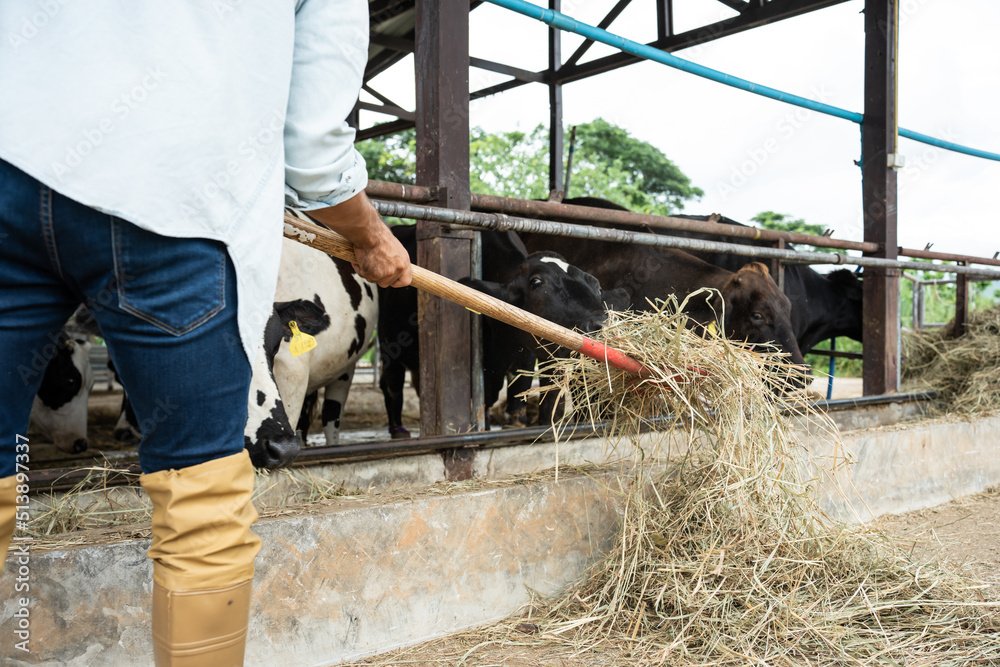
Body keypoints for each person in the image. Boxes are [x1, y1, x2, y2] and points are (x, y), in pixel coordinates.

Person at [0, 2, 411, 664]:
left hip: (7, 166)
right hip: (169, 197)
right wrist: (370, 236)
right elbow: (312, 151)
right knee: (201, 502)